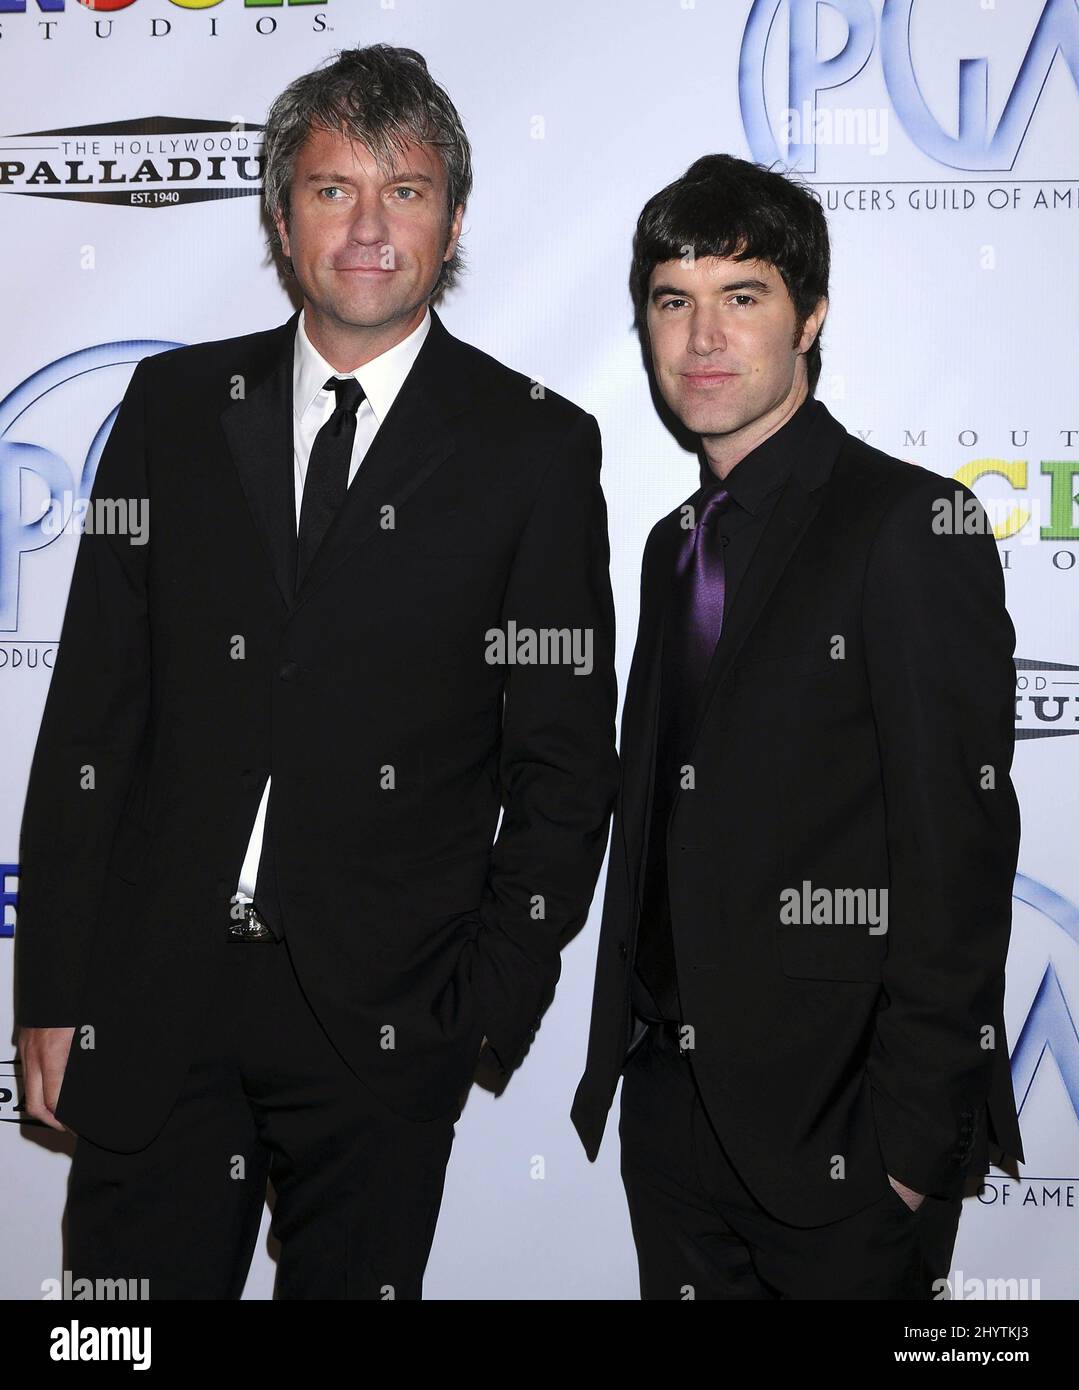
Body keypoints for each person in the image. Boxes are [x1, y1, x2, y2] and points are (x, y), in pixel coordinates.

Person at [15, 43, 618, 1300]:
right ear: (282, 218)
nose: (366, 225)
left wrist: (482, 1003)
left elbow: (562, 765)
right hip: (156, 996)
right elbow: (94, 714)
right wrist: (54, 987)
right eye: (333, 187)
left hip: (387, 1022)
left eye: (403, 189)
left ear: (450, 220)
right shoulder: (174, 407)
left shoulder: (535, 446)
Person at [571, 153, 1024, 1300]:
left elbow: (956, 851)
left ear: (810, 315)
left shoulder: (908, 524)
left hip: (847, 1140)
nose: (702, 338)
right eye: (673, 301)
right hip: (672, 1126)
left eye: (743, 296)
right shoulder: (672, 543)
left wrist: (908, 1155)